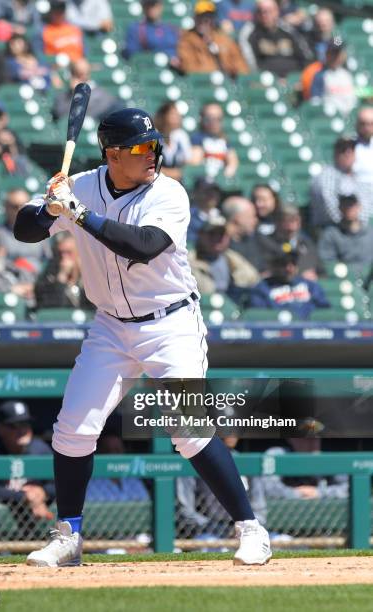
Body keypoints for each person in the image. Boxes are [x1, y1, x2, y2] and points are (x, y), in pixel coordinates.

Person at [14, 106, 272, 567]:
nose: (153, 153)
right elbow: (24, 231)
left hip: (170, 322)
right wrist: (47, 208)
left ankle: (251, 530)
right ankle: (68, 535)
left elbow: (144, 246)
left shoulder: (168, 192)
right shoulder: (85, 185)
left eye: (154, 145)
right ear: (112, 154)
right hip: (111, 325)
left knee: (190, 429)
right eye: (140, 147)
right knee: (72, 430)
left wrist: (78, 214)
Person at [0, 401, 55, 527]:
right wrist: (23, 496)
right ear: (0, 428)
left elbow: (63, 482)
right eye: (14, 425)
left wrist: (43, 492)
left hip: (32, 513)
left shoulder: (41, 449)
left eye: (25, 424)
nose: (22, 430)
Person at [245, 248, 330, 318]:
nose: (290, 268)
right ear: (273, 265)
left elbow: (325, 312)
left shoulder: (311, 286)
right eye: (284, 263)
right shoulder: (261, 289)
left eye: (293, 262)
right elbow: (260, 317)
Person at [239, 0, 313, 78]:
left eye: (270, 11)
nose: (266, 15)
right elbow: (251, 65)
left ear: (277, 11)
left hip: (294, 79)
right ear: (257, 14)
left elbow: (306, 56)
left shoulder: (288, 30)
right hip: (266, 80)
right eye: (262, 12)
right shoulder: (250, 32)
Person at [310, 137, 372, 228]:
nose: (347, 153)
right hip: (330, 229)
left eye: (351, 150)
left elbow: (367, 205)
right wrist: (348, 225)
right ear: (335, 153)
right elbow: (329, 206)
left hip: (356, 230)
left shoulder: (357, 175)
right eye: (343, 150)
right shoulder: (327, 175)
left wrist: (359, 226)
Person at [189, 217, 259, 294]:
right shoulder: (189, 261)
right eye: (212, 234)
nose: (217, 238)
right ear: (201, 235)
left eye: (221, 234)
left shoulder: (232, 258)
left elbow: (253, 278)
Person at [177, 1, 249, 77]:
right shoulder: (186, 40)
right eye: (200, 17)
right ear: (195, 18)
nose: (204, 21)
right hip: (204, 85)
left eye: (208, 17)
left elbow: (242, 68)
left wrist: (231, 70)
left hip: (228, 83)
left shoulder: (224, 40)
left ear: (213, 18)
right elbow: (191, 69)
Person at [259, 205, 322, 280]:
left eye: (295, 220)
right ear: (277, 222)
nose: (291, 226)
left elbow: (321, 272)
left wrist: (314, 276)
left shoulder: (307, 244)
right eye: (287, 221)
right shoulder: (264, 243)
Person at [52, 58, 125, 122]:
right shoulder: (66, 93)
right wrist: (73, 93)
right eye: (78, 73)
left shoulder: (98, 91)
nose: (84, 75)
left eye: (85, 72)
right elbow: (60, 112)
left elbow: (104, 107)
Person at [0, 189, 52, 272]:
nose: (19, 210)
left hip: (37, 279)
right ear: (6, 208)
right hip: (8, 280)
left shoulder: (42, 230)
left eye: (23, 206)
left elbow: (49, 260)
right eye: (15, 206)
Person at [318, 194, 373, 275]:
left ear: (359, 207)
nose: (348, 209)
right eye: (345, 205)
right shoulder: (331, 233)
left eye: (351, 205)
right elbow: (327, 261)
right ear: (339, 208)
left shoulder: (370, 232)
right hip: (343, 278)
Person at [35, 233, 87, 309]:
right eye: (60, 253)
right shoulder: (49, 274)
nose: (64, 257)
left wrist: (82, 274)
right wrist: (61, 279)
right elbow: (52, 308)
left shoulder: (90, 275)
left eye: (68, 252)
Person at [123, 0, 180, 67]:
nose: (151, 9)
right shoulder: (135, 28)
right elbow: (132, 55)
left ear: (160, 6)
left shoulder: (171, 29)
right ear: (143, 7)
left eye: (154, 5)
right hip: (148, 68)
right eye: (148, 5)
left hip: (173, 70)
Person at [310, 38, 356, 117]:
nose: (336, 57)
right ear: (327, 54)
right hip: (330, 117)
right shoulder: (320, 75)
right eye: (333, 53)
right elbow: (315, 101)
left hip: (351, 117)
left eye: (338, 53)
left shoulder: (348, 74)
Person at [191, 103, 239, 179]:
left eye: (218, 119)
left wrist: (228, 171)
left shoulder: (225, 140)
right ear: (202, 119)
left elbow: (233, 161)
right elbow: (195, 163)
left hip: (220, 183)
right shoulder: (197, 138)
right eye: (209, 118)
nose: (214, 122)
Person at [222, 195, 267, 272]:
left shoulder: (253, 239)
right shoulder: (218, 244)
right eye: (252, 216)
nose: (255, 220)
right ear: (238, 218)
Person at [153, 101, 192, 182]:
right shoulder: (153, 136)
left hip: (177, 183)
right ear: (163, 116)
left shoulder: (181, 135)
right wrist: (173, 173)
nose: (178, 117)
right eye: (173, 114)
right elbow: (150, 168)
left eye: (178, 115)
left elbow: (188, 162)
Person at [187, 177, 223, 245]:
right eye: (206, 191)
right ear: (195, 193)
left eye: (215, 191)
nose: (212, 194)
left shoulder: (224, 215)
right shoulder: (187, 216)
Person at [353, 107, 373, 189]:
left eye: (371, 124)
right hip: (358, 192)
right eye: (363, 124)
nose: (367, 128)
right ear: (357, 125)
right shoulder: (349, 146)